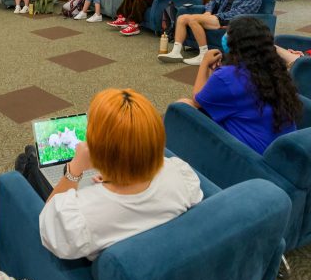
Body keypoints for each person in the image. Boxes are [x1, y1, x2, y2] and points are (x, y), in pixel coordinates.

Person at [39, 88, 203, 261]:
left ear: (96, 150)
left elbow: (48, 226)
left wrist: (74, 171)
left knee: (28, 163)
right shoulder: (180, 175)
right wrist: (117, 175)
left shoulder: (80, 216)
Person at [176, 17, 302, 154]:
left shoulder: (228, 75)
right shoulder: (276, 70)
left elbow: (197, 100)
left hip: (249, 155)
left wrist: (204, 63)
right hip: (279, 151)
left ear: (234, 43)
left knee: (183, 105)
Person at [158, 0, 261, 65]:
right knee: (182, 18)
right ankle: (176, 52)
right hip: (217, 18)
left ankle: (203, 55)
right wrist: (208, 12)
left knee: (193, 19)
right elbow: (214, 1)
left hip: (231, 21)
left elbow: (238, 14)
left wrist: (215, 16)